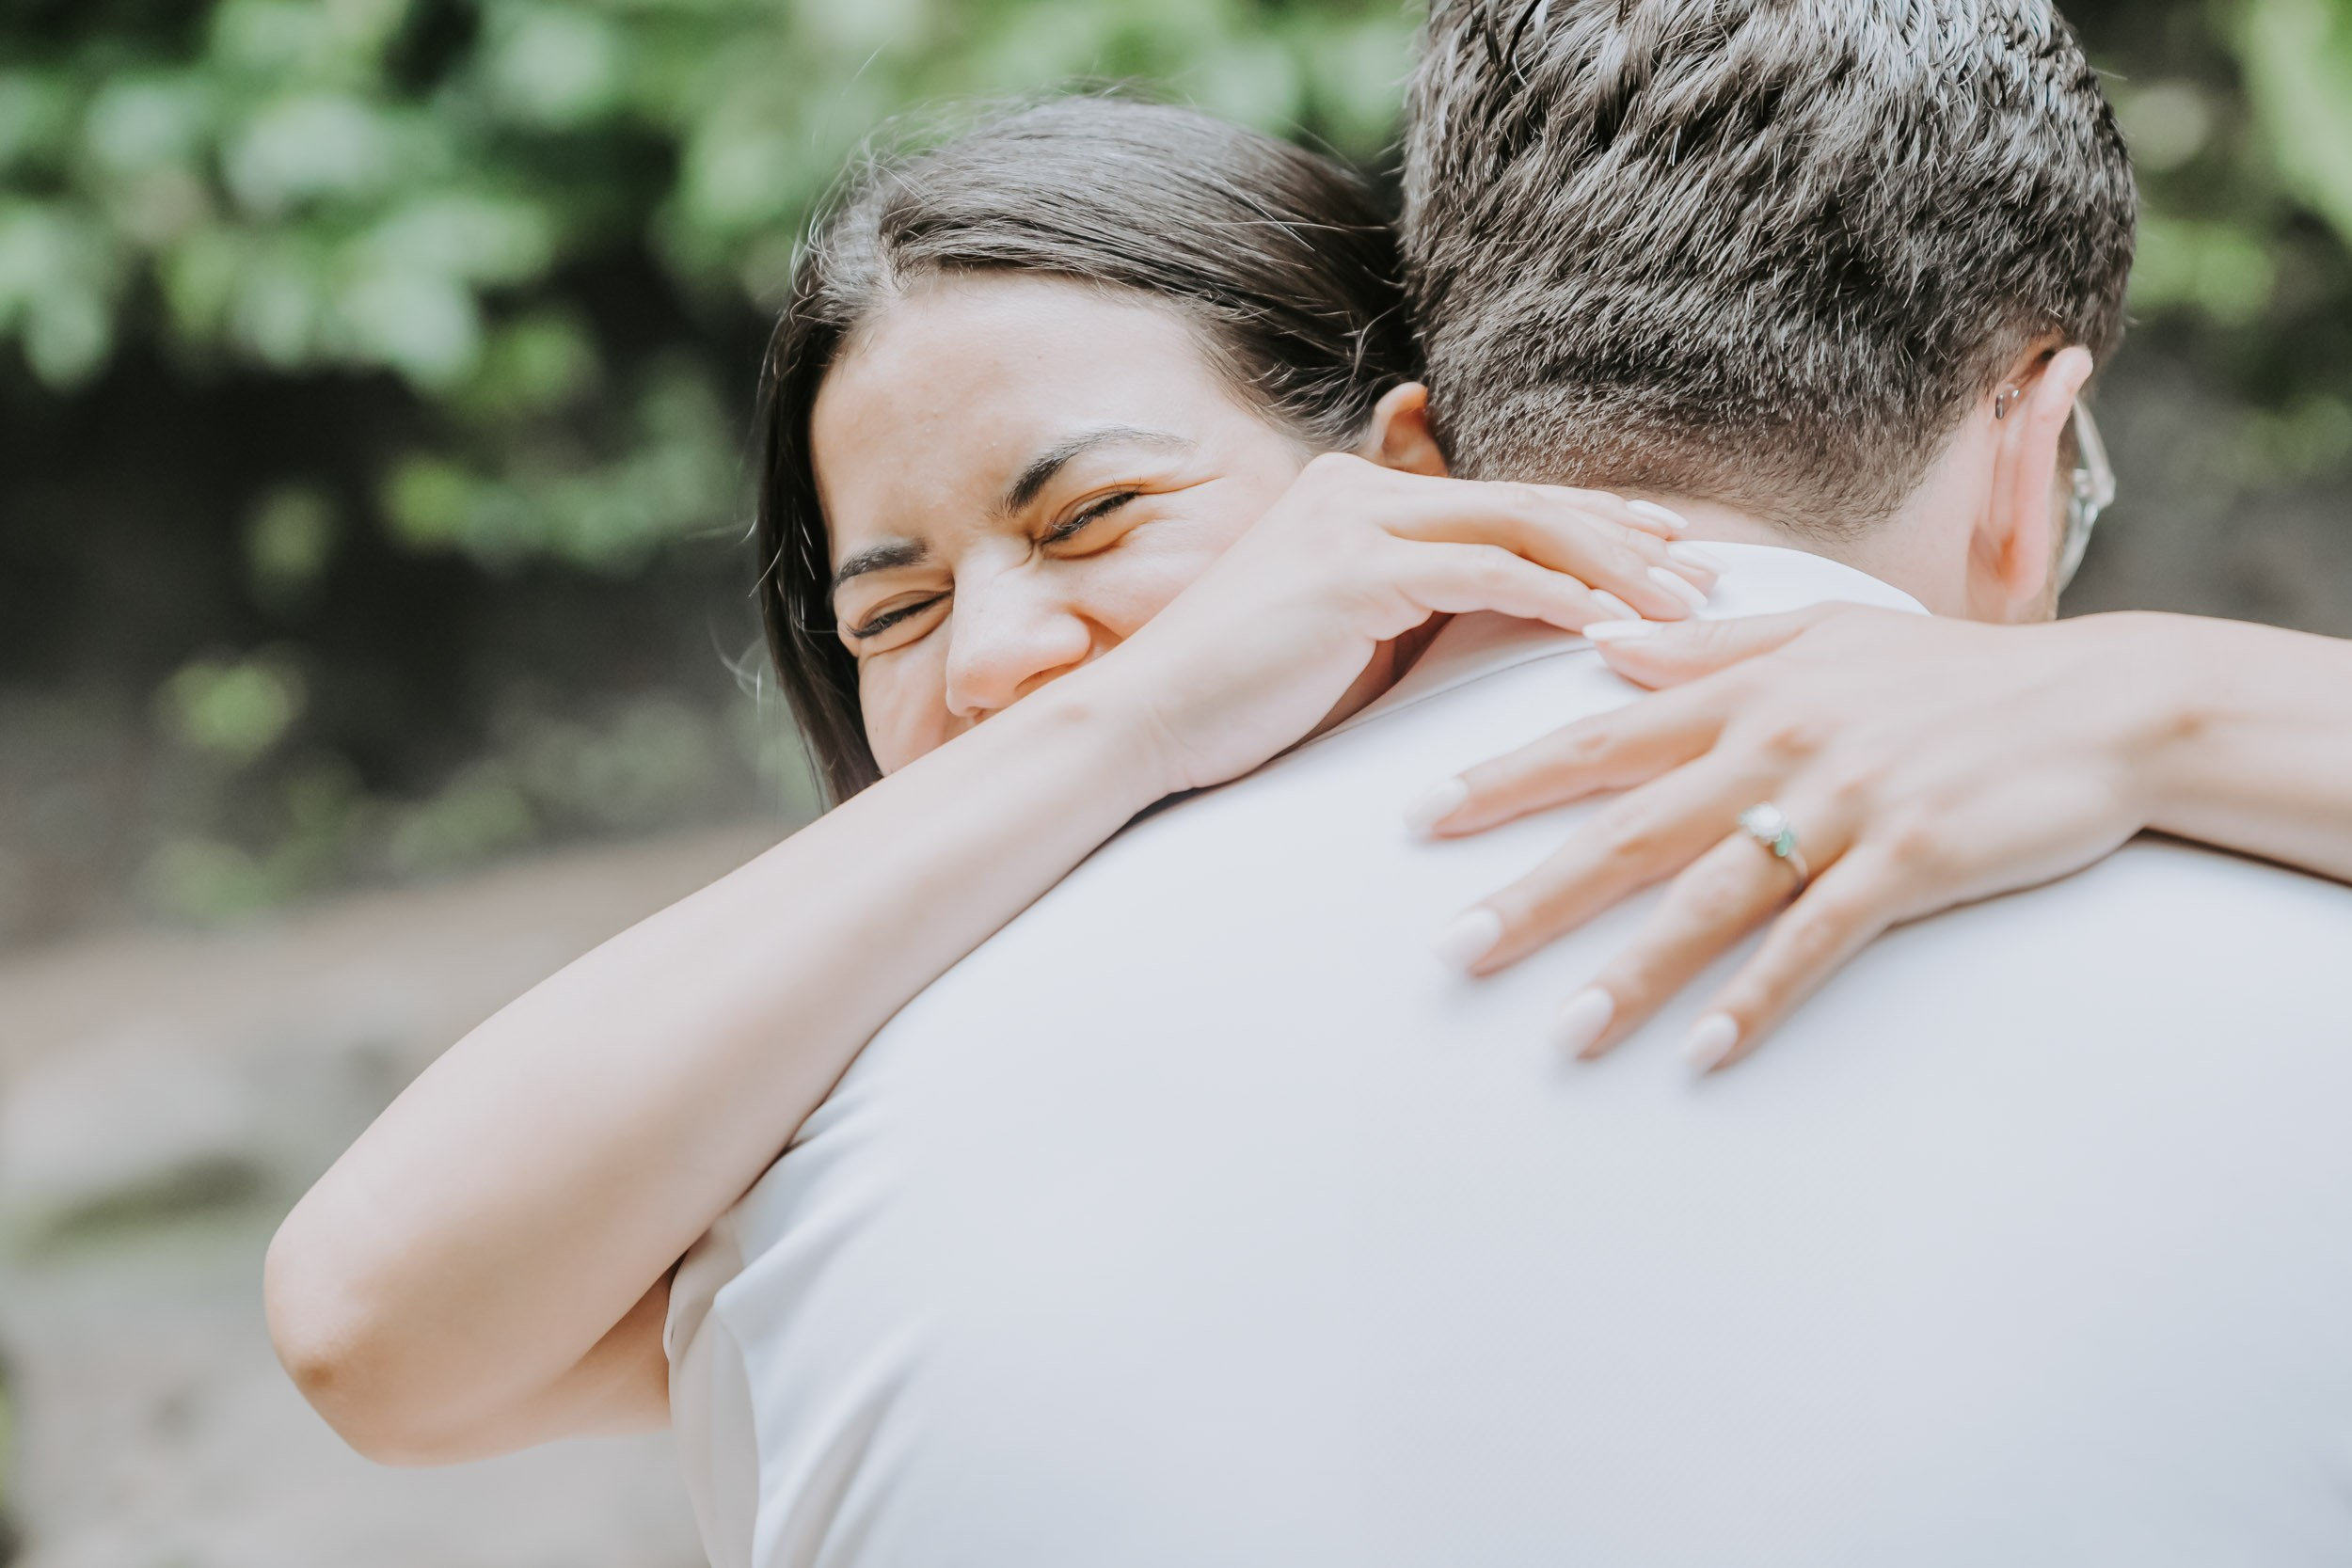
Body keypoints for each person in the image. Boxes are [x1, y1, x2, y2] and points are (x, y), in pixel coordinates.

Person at [257, 2, 2352, 1558]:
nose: (995, 662)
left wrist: (2153, 703)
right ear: (2029, 452)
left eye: (1094, 518)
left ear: (1402, 468)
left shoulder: (852, 1143)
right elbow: (372, 1319)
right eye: (888, 611)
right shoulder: (803, 1074)